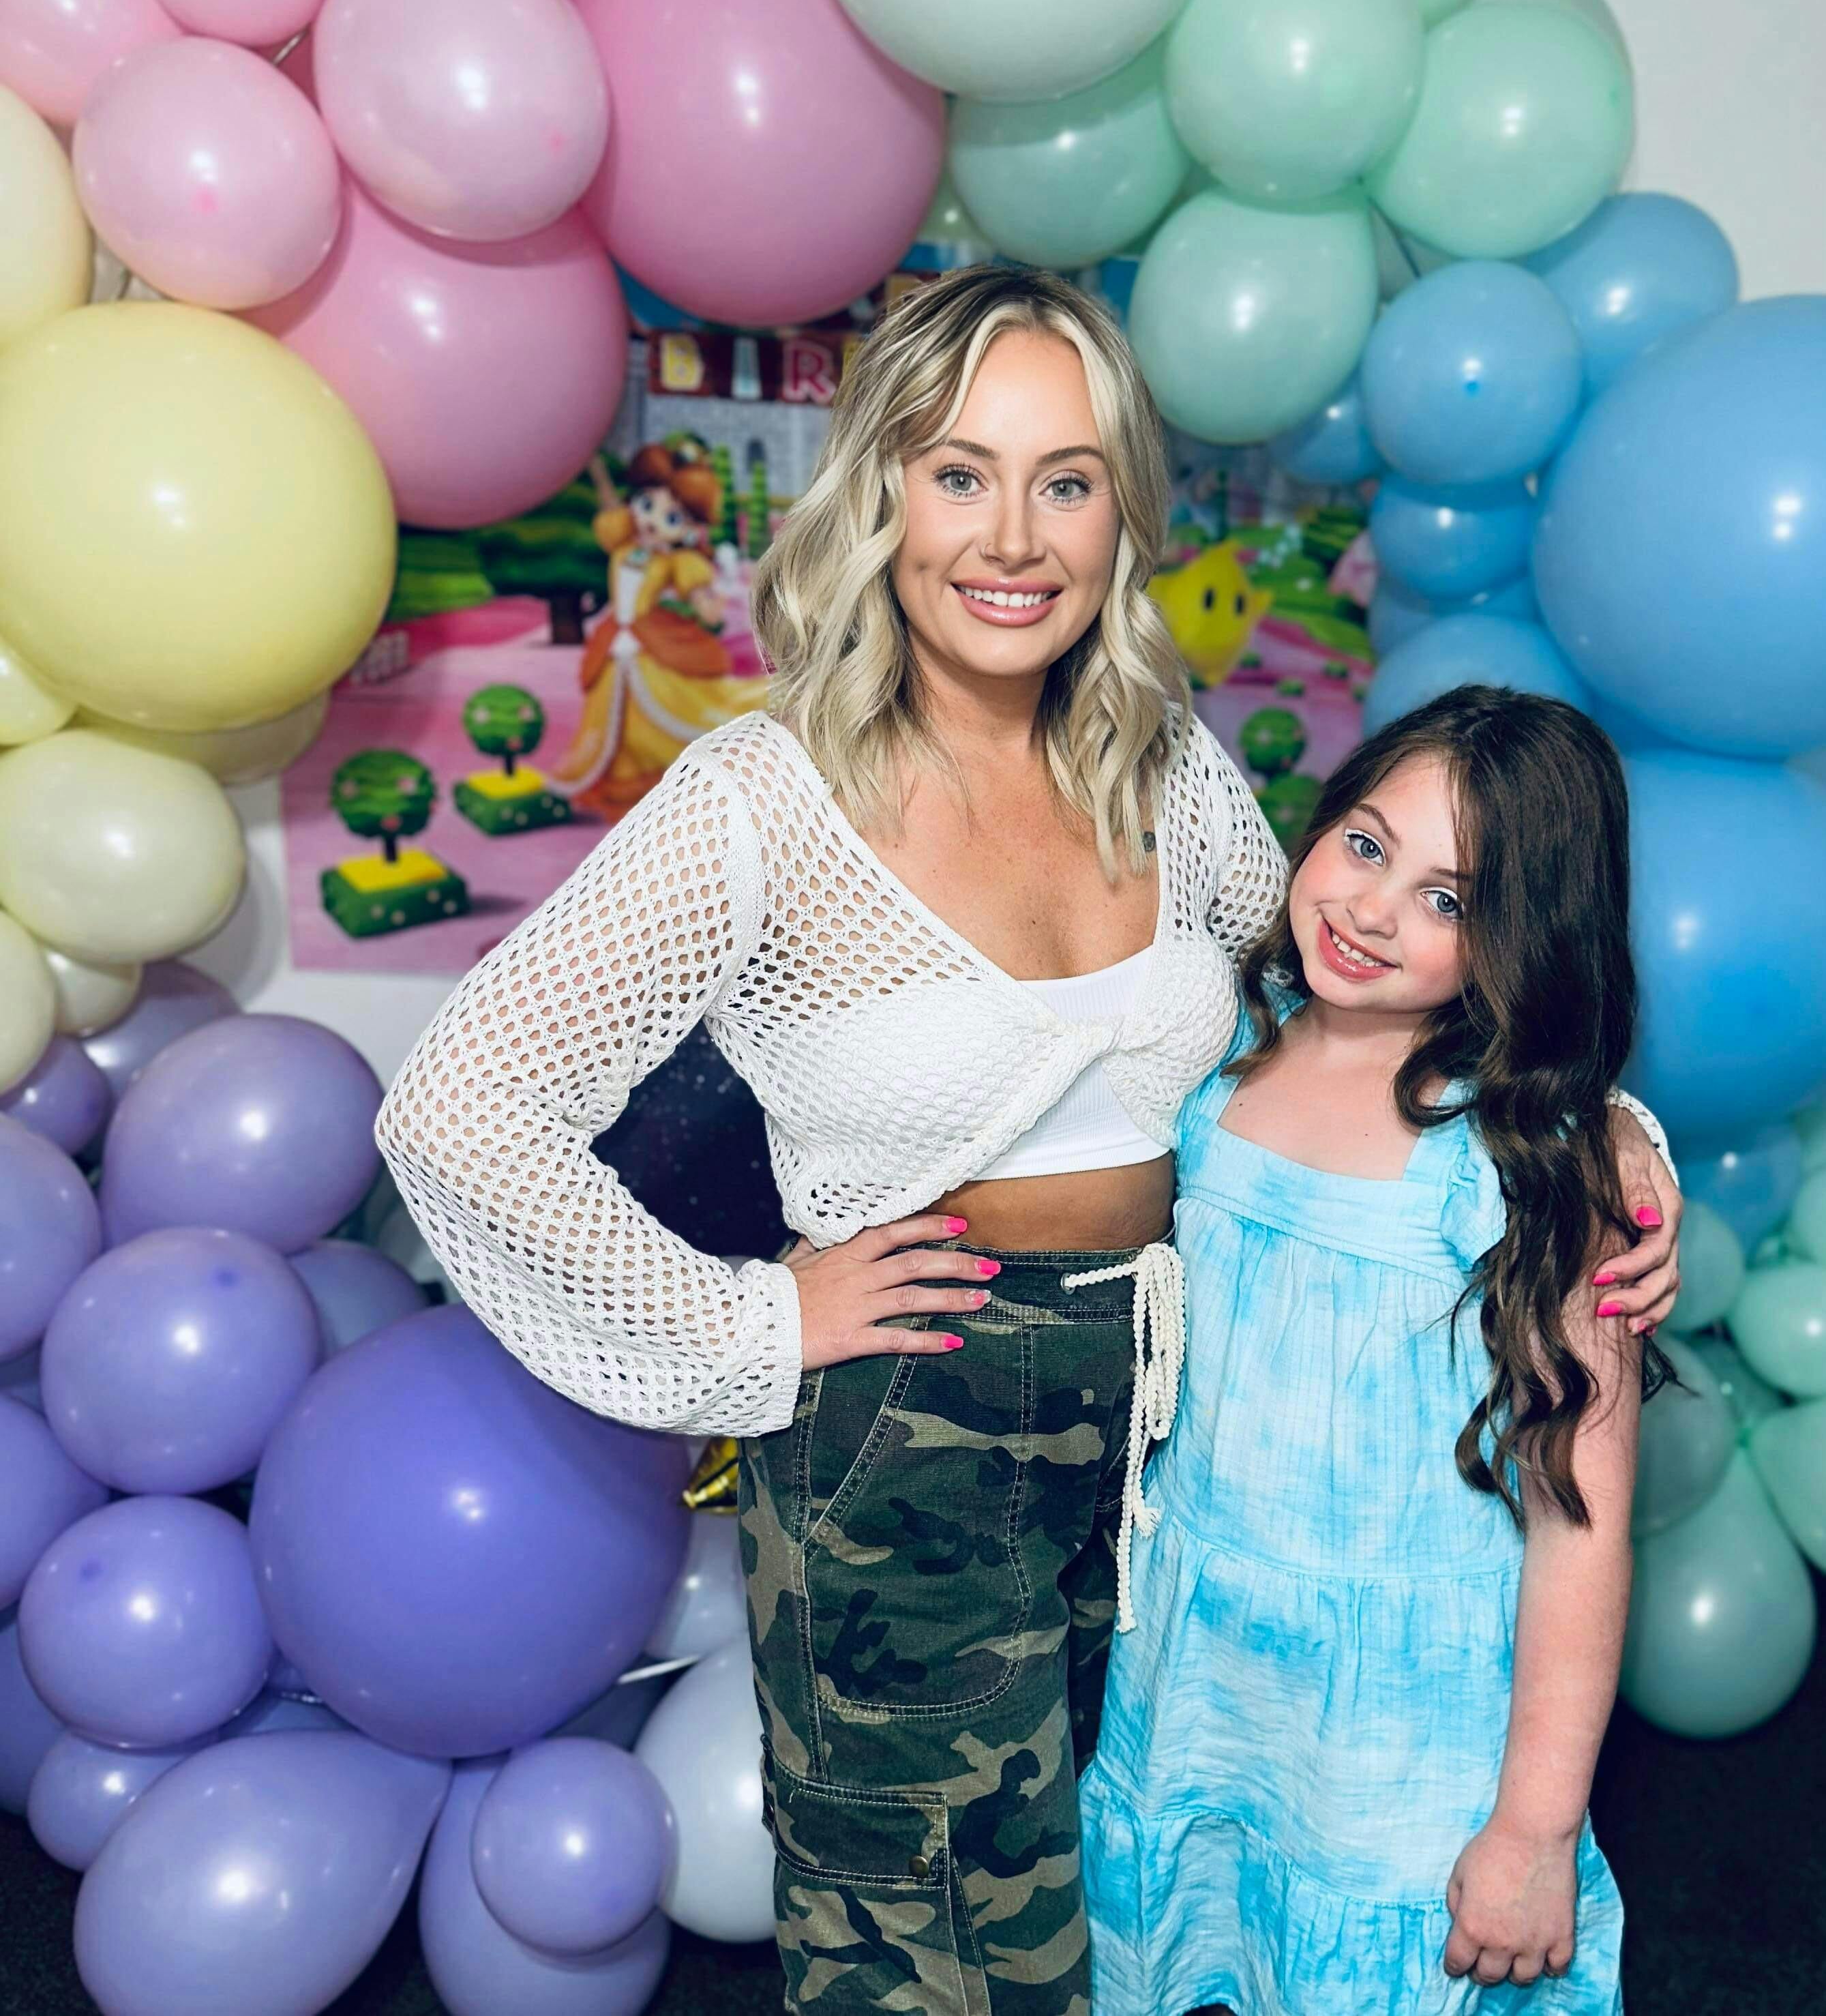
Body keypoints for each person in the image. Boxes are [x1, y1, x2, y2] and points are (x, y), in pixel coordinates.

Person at [374, 267, 1680, 2016]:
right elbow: (459, 1100)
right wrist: (751, 1320)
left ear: (1117, 512)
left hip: (1158, 1435)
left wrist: (1595, 1130)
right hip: (905, 1437)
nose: (1012, 536)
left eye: (1064, 480)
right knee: (925, 1950)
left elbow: (1336, 996)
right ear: (881, 492)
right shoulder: (760, 801)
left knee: (1110, 1913)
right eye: (957, 472)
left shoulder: (1161, 769)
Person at [1080, 687, 1665, 2016]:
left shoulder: (1534, 1167)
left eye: (1447, 899)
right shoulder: (1221, 1045)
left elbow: (1580, 1524)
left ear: (1522, 934)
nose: (1371, 909)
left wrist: (1533, 1829)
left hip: (1405, 1721)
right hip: (1206, 1664)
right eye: (1362, 844)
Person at [548, 438, 769, 820]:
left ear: (688, 528)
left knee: (667, 711)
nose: (652, 521)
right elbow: (610, 506)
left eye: (672, 519)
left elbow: (703, 598)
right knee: (615, 714)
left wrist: (712, 603)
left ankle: (668, 780)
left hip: (648, 644)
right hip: (614, 642)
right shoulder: (623, 544)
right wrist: (596, 468)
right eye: (647, 506)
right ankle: (624, 775)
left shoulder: (674, 562)